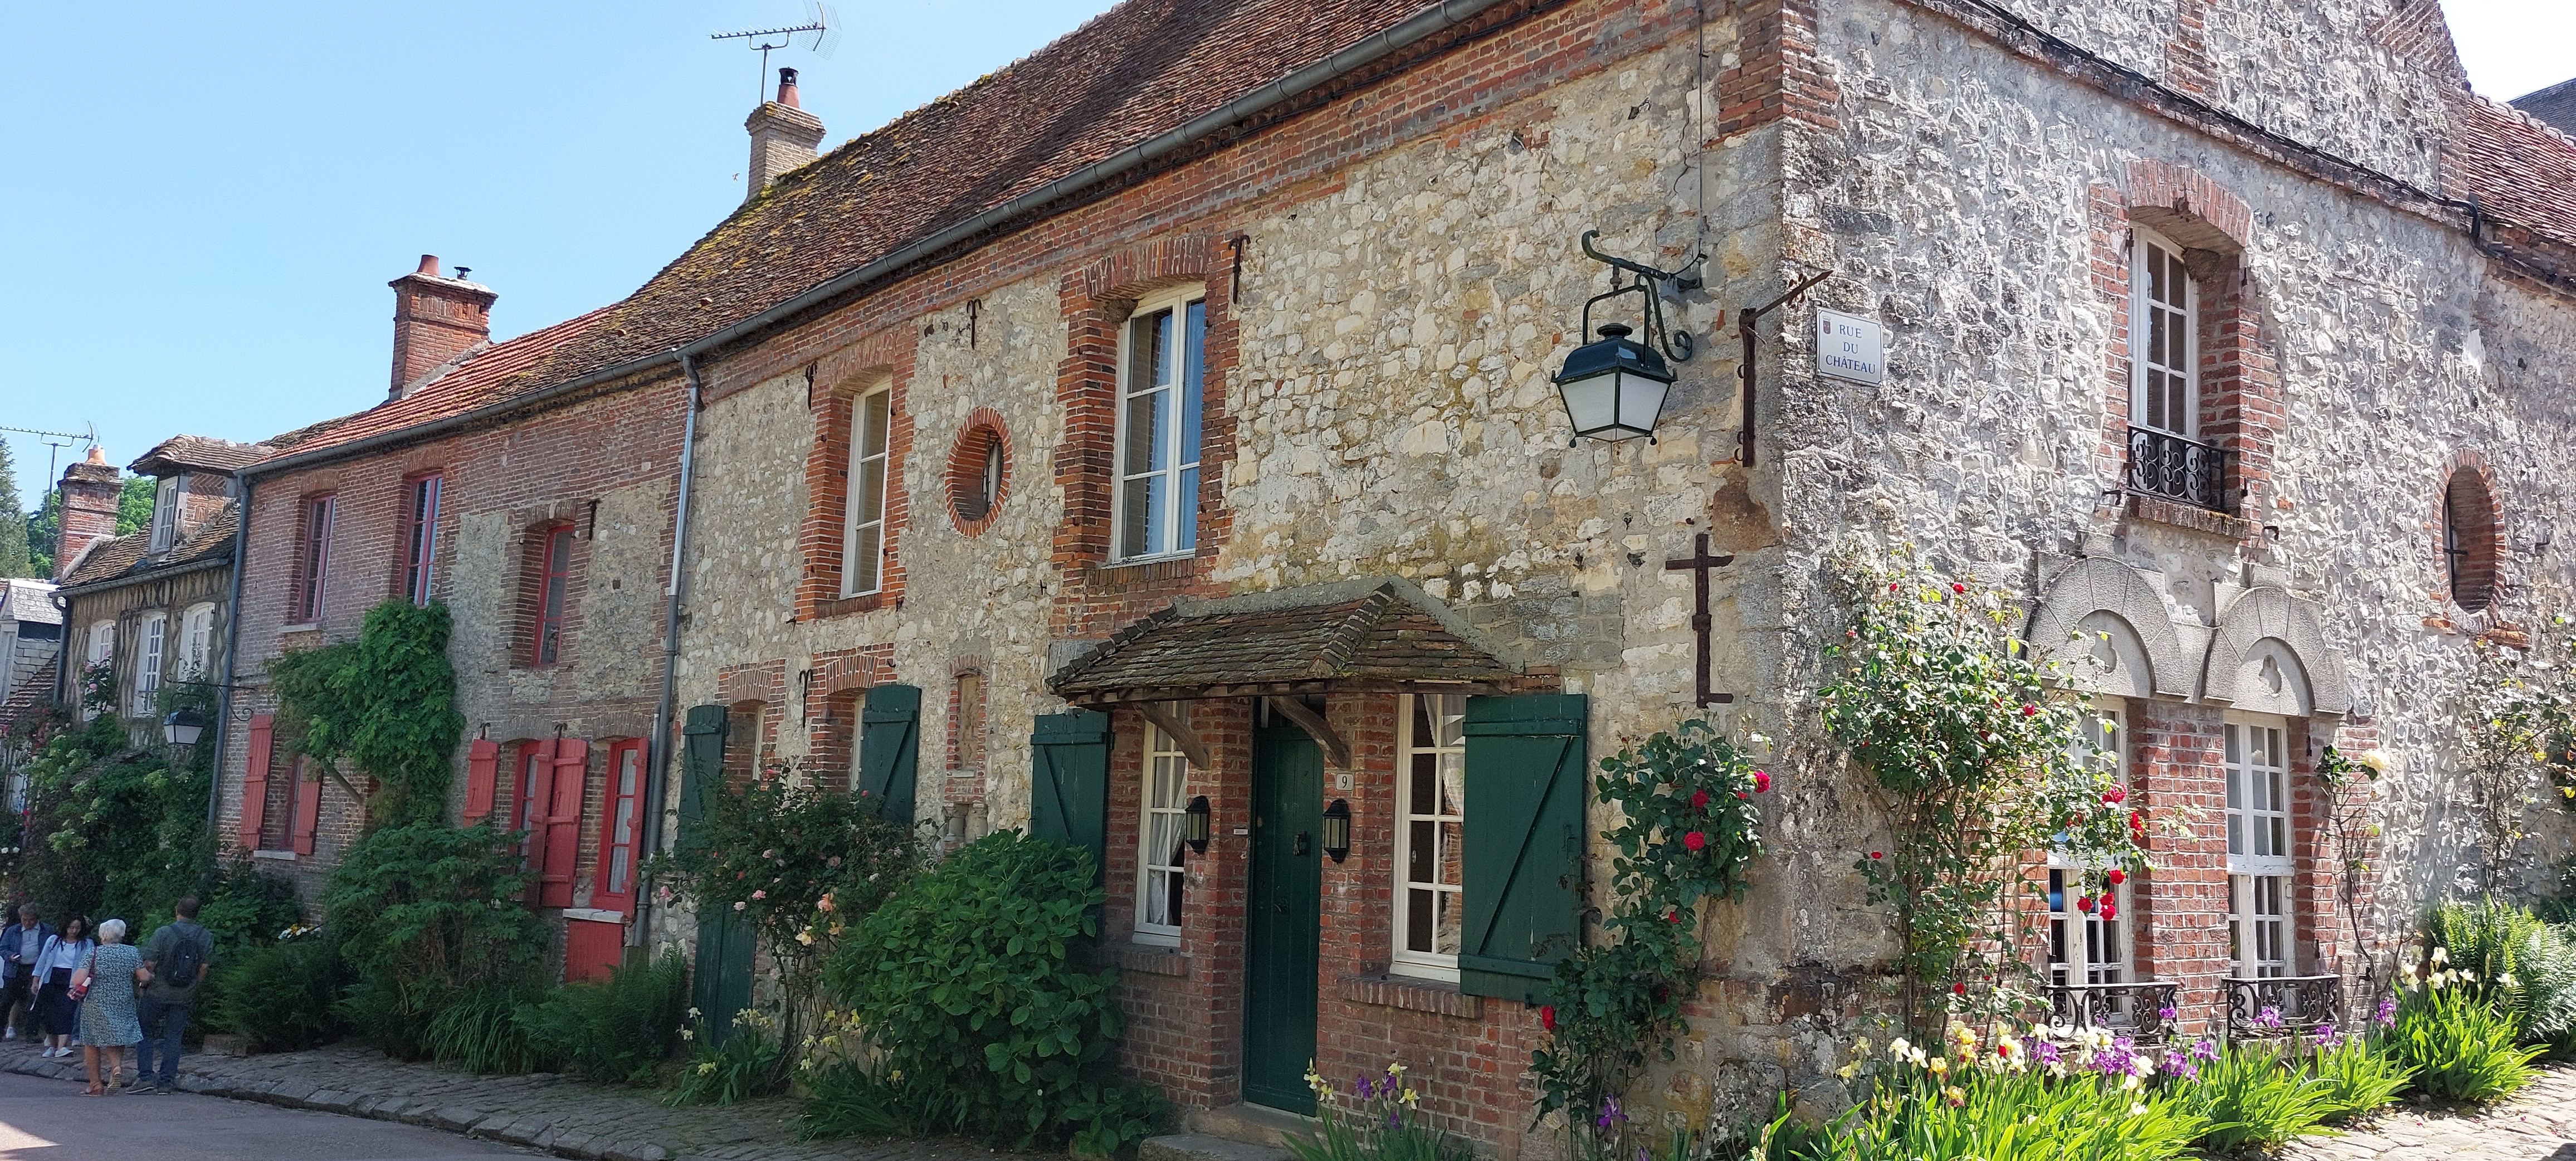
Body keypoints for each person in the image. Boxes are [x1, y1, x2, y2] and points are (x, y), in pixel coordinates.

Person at [129, 897, 212, 1094]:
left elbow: (149, 964)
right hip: (184, 995)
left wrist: (145, 984)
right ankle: (167, 1082)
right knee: (174, 1038)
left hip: (157, 992)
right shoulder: (206, 936)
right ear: (197, 914)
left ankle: (146, 1078)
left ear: (177, 911)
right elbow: (204, 968)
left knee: (145, 1033)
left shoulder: (164, 933)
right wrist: (194, 987)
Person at [71, 918, 146, 1095]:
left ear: (102, 935)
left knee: (91, 1042)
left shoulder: (93, 953)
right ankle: (116, 1066)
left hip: (95, 1002)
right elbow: (143, 977)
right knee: (118, 1035)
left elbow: (78, 980)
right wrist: (151, 977)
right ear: (122, 934)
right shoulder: (131, 952)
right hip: (123, 1002)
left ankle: (96, 1085)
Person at [32, 916, 92, 1058]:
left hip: (72, 981)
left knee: (67, 1013)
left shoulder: (86, 943)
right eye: (71, 928)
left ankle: (62, 1047)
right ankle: (52, 1046)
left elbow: (89, 964)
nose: (74, 931)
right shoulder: (54, 940)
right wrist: (36, 980)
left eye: (78, 928)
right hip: (51, 979)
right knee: (49, 1015)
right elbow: (43, 960)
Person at [0, 905, 54, 1041]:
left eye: (31, 920)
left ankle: (32, 1033)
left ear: (36, 919)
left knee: (34, 1001)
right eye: (24, 920)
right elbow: (3, 948)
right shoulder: (13, 931)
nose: (28, 923)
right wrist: (10, 956)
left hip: (36, 969)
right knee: (7, 1000)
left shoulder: (47, 930)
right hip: (15, 969)